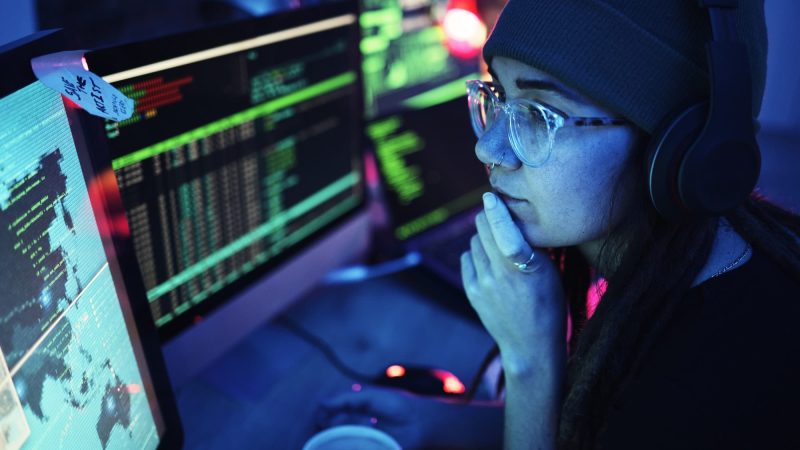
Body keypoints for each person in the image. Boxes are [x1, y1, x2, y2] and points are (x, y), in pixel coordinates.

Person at [318, 1, 800, 449]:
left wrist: (530, 364)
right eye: (497, 96)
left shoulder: (704, 396)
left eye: (538, 114)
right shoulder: (672, 270)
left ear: (679, 151)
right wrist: (446, 421)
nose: (487, 149)